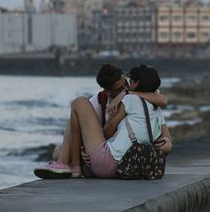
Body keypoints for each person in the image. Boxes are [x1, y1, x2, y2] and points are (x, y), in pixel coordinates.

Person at [34, 64, 172, 179]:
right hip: (112, 155)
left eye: (126, 83)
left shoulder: (131, 99)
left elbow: (163, 101)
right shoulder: (97, 104)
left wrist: (125, 95)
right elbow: (80, 132)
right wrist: (81, 150)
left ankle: (70, 165)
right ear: (107, 91)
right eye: (120, 89)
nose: (125, 88)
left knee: (79, 102)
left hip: (115, 156)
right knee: (58, 150)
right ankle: (70, 163)